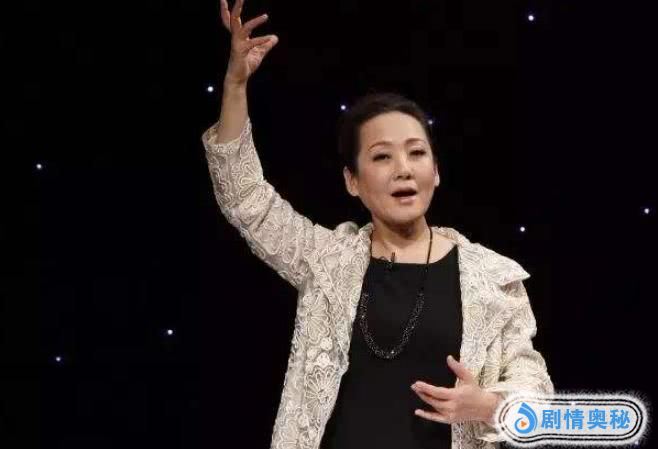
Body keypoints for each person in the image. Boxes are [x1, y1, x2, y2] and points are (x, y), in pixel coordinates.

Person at [202, 1, 554, 448]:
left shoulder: (494, 279)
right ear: (352, 181)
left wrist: (488, 405)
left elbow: (537, 391)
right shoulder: (326, 260)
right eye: (382, 156)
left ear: (436, 171)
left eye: (417, 153)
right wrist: (235, 85)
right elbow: (245, 198)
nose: (403, 169)